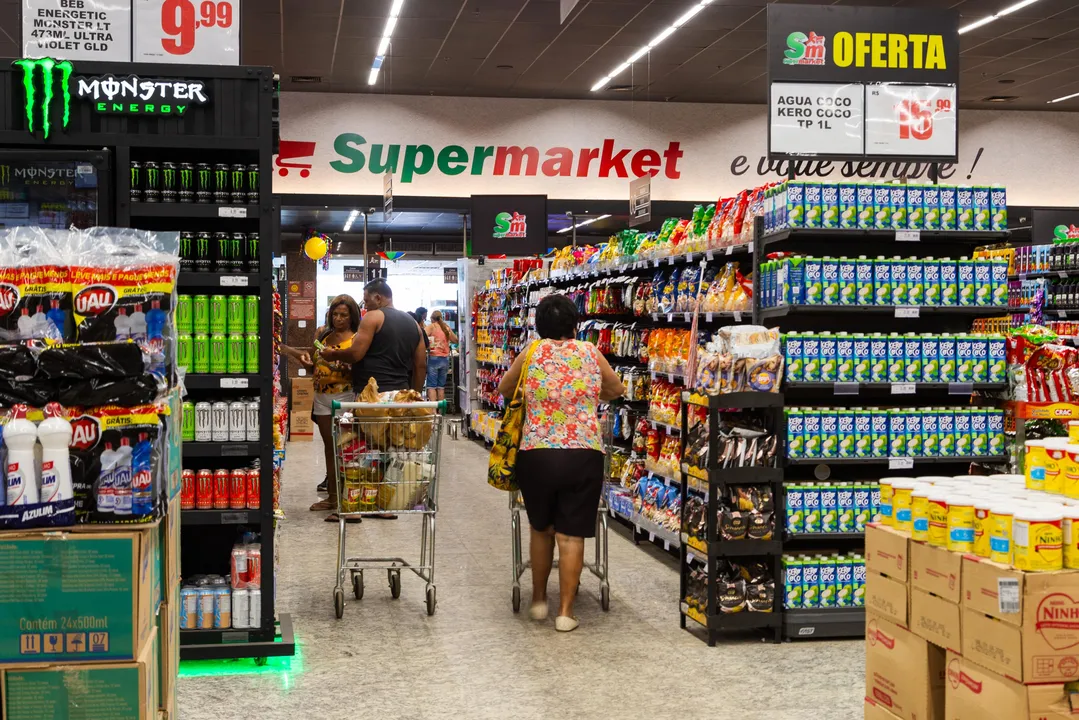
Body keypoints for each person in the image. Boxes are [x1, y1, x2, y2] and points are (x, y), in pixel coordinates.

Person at [497, 294, 624, 632]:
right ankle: (566, 612)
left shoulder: (532, 353)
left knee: (542, 530)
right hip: (583, 453)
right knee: (571, 535)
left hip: (536, 452)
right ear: (574, 324)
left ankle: (539, 600)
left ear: (539, 326)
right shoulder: (590, 353)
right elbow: (616, 388)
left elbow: (505, 387)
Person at [279, 295, 362, 518]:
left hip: (345, 397)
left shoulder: (357, 338)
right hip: (322, 397)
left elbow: (359, 368)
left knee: (345, 448)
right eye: (335, 314)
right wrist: (304, 361)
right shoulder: (324, 335)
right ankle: (333, 497)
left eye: (344, 315)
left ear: (352, 316)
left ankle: (347, 497)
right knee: (329, 446)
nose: (339, 319)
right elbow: (313, 360)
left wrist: (343, 366)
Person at [322, 279, 427, 394]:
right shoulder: (414, 324)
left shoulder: (372, 317)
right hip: (401, 393)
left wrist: (332, 354)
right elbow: (420, 366)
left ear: (378, 298)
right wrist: (415, 395)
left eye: (366, 301)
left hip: (372, 395)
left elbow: (355, 354)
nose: (365, 306)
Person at [425, 310, 458, 401]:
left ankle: (434, 411)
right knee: (441, 386)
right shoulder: (446, 327)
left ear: (432, 319)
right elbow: (455, 340)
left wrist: (428, 344)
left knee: (431, 386)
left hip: (434, 358)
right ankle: (441, 411)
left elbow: (422, 335)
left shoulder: (432, 326)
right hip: (445, 359)